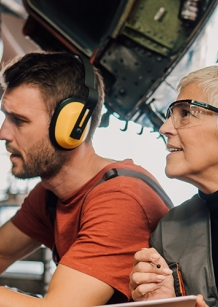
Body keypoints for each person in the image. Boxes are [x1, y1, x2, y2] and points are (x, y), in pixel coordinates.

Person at [0, 51, 170, 307]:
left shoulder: (121, 199)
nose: (3, 133)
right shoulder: (51, 194)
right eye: (5, 116)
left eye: (19, 121)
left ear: (71, 127)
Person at [129, 65, 218, 307]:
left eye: (186, 114)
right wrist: (165, 303)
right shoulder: (168, 232)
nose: (164, 128)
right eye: (170, 115)